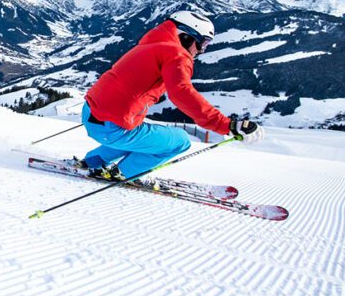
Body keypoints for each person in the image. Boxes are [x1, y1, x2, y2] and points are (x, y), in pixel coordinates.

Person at [79, 10, 264, 180]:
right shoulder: (177, 54)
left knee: (136, 132)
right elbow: (181, 92)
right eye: (203, 43)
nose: (200, 51)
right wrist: (225, 125)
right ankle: (122, 174)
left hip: (92, 115)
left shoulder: (151, 44)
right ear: (186, 37)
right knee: (179, 141)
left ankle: (93, 161)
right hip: (112, 128)